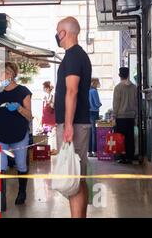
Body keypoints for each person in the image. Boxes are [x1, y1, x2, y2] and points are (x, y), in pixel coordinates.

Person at [54, 16, 92, 218]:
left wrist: (68, 124)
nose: (56, 35)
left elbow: (72, 91)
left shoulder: (73, 56)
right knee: (78, 177)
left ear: (64, 33)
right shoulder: (76, 56)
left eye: (57, 31)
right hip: (77, 123)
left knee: (73, 177)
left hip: (74, 125)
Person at [0, 62, 33, 210]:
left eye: (6, 73)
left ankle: (22, 192)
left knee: (21, 164)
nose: (3, 76)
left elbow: (29, 116)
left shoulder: (23, 92)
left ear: (13, 74)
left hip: (19, 133)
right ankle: (0, 199)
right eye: (1, 73)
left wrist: (19, 108)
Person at [112, 67, 137, 164]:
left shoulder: (118, 88)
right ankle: (130, 157)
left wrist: (114, 116)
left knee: (121, 137)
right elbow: (136, 103)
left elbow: (116, 103)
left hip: (121, 117)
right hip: (131, 117)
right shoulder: (134, 87)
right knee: (130, 138)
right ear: (128, 75)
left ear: (119, 75)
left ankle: (122, 157)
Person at [89, 78, 102, 157]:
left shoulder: (87, 90)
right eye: (97, 82)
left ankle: (89, 151)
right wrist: (100, 104)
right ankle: (95, 151)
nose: (98, 84)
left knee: (89, 132)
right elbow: (97, 103)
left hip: (87, 112)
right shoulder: (94, 91)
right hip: (94, 112)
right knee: (94, 131)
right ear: (94, 83)